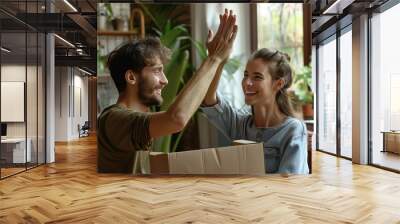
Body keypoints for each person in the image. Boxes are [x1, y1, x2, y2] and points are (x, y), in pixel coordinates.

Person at [97, 9, 238, 173]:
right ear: (131, 77)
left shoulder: (138, 121)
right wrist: (214, 59)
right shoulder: (113, 119)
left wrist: (218, 61)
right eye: (157, 71)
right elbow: (177, 118)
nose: (165, 80)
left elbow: (204, 99)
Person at [201, 47, 309, 174]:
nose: (247, 82)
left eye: (257, 77)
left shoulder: (293, 130)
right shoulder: (240, 124)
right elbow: (209, 100)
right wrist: (219, 60)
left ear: (278, 84)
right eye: (246, 75)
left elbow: (289, 185)